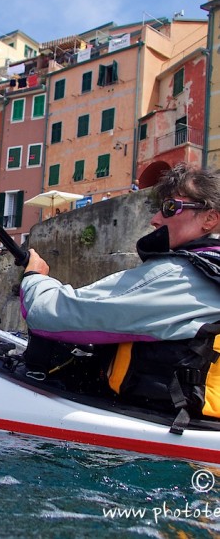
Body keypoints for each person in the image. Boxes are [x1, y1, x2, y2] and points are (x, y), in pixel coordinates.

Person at [20, 163, 220, 429]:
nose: (155, 220)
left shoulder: (179, 277)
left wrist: (36, 279)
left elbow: (51, 314)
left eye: (171, 208)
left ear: (210, 219)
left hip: (169, 431)